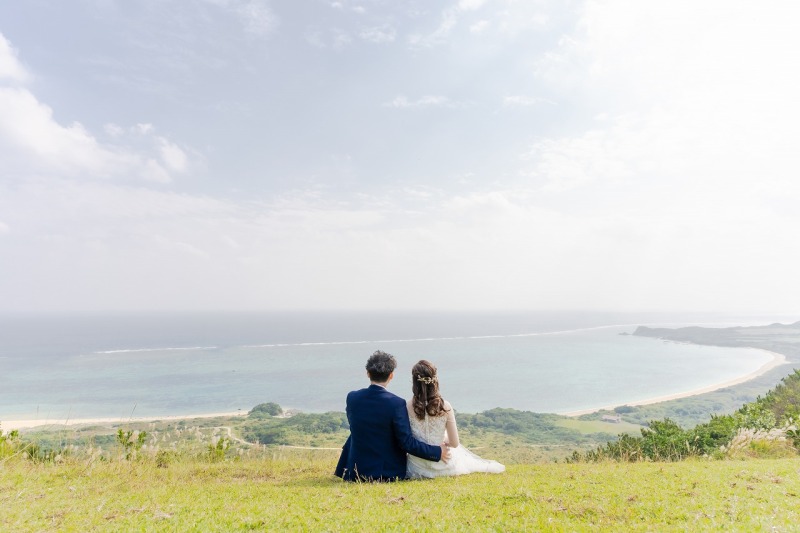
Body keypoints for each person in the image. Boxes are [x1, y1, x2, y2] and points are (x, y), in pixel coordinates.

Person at [334, 350, 450, 481]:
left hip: (355, 470)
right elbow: (406, 442)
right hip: (385, 473)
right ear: (391, 375)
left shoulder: (352, 397)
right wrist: (437, 452)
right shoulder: (396, 403)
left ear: (368, 373)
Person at [406, 359, 505, 478]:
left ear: (414, 382)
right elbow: (454, 443)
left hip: (417, 467)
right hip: (444, 465)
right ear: (435, 381)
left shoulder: (407, 406)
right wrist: (444, 440)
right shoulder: (445, 406)